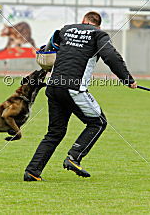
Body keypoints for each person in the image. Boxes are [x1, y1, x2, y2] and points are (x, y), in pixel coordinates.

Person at [24, 11, 137, 181]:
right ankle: (74, 157)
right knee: (98, 122)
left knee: (55, 132)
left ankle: (32, 171)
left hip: (53, 86)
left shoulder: (65, 30)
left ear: (83, 20)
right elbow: (111, 56)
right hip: (73, 88)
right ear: (98, 25)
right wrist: (127, 79)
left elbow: (46, 52)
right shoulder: (99, 35)